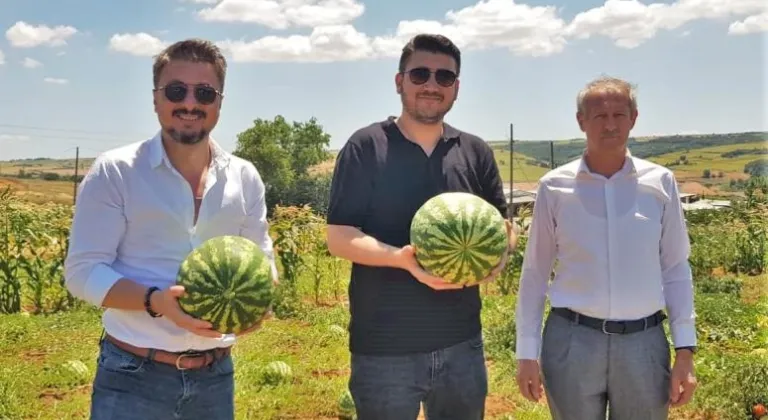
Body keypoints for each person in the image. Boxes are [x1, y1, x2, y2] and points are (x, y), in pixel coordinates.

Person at [64, 38, 277, 420]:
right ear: (156, 98)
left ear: (219, 102)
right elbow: (83, 273)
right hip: (132, 376)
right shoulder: (116, 171)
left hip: (215, 377)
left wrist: (259, 302)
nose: (190, 103)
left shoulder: (245, 178)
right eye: (176, 90)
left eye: (205, 93)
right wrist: (156, 302)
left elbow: (262, 257)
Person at [325, 33, 517, 420]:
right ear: (400, 81)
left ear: (456, 88)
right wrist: (402, 259)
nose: (432, 84)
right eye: (420, 74)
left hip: (461, 343)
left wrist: (498, 257)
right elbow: (339, 237)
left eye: (444, 77)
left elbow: (503, 226)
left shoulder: (475, 151)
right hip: (384, 348)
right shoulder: (366, 146)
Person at [514, 76, 698, 419]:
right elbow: (535, 272)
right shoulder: (554, 187)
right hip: (572, 342)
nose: (610, 125)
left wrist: (685, 351)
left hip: (644, 342)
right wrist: (526, 352)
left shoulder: (660, 183)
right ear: (581, 121)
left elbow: (676, 267)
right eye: (599, 116)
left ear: (633, 118)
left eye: (618, 115)